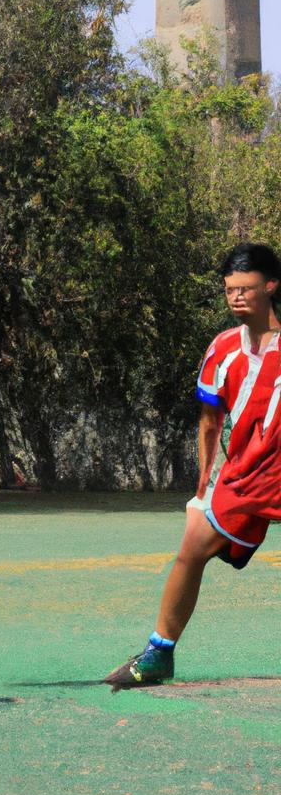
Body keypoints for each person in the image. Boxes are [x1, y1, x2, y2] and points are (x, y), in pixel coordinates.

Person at [104, 243, 281, 690]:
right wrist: (202, 489)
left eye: (246, 288)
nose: (237, 297)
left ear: (272, 286)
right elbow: (209, 422)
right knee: (191, 550)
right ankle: (159, 653)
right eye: (229, 290)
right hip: (244, 475)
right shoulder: (222, 349)